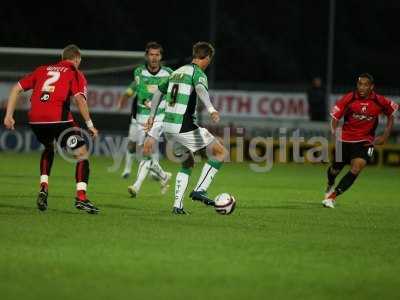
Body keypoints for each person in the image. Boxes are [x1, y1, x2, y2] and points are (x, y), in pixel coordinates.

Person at [3, 44, 100, 214]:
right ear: (76, 59)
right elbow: (80, 100)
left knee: (49, 147)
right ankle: (81, 198)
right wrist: (90, 125)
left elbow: (16, 89)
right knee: (81, 153)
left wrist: (9, 116)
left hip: (35, 120)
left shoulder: (42, 69)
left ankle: (43, 187)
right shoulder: (75, 72)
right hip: (58, 119)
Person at [146, 41, 227, 214]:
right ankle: (200, 190)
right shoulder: (197, 73)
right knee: (220, 153)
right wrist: (212, 109)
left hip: (168, 127)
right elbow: (200, 88)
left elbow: (158, 92)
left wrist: (152, 116)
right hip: (184, 126)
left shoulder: (177, 72)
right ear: (206, 58)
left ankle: (177, 206)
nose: (209, 63)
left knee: (187, 163)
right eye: (209, 60)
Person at [323, 73, 398, 208]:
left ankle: (332, 197)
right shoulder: (349, 98)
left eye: (365, 85)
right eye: (359, 84)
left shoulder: (380, 100)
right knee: (334, 170)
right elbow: (335, 118)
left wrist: (386, 134)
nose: (362, 87)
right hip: (345, 140)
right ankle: (330, 183)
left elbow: (391, 113)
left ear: (371, 87)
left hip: (366, 141)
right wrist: (334, 132)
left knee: (357, 167)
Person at [117, 41, 172, 197]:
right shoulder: (139, 72)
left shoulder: (169, 73)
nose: (154, 58)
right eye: (151, 55)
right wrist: (146, 101)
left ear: (161, 56)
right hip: (141, 118)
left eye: (157, 55)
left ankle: (136, 186)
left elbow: (170, 92)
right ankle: (163, 175)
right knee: (145, 154)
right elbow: (140, 93)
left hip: (159, 117)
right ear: (147, 56)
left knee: (146, 150)